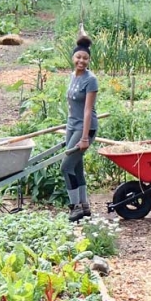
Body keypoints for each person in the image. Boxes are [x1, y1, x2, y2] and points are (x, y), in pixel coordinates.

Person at [62, 31, 99, 221]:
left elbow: (87, 110)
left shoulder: (90, 79)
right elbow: (72, 106)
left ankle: (75, 207)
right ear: (73, 57)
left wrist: (85, 137)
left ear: (89, 60)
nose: (81, 61)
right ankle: (84, 206)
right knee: (76, 167)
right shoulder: (73, 76)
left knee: (66, 167)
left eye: (85, 58)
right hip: (72, 126)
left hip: (86, 127)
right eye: (78, 57)